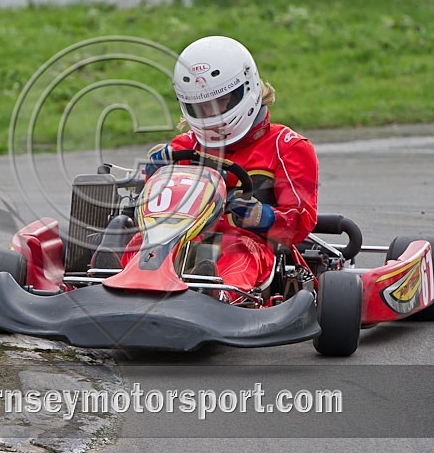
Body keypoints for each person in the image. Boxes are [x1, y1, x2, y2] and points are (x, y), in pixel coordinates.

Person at [131, 35, 319, 300]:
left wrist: (262, 217)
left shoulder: (287, 147)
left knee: (237, 250)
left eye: (221, 101)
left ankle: (217, 296)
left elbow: (300, 220)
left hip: (249, 243)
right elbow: (156, 208)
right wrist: (152, 175)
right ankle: (113, 282)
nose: (210, 115)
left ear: (248, 88)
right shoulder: (183, 146)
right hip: (182, 240)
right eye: (200, 107)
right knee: (142, 243)